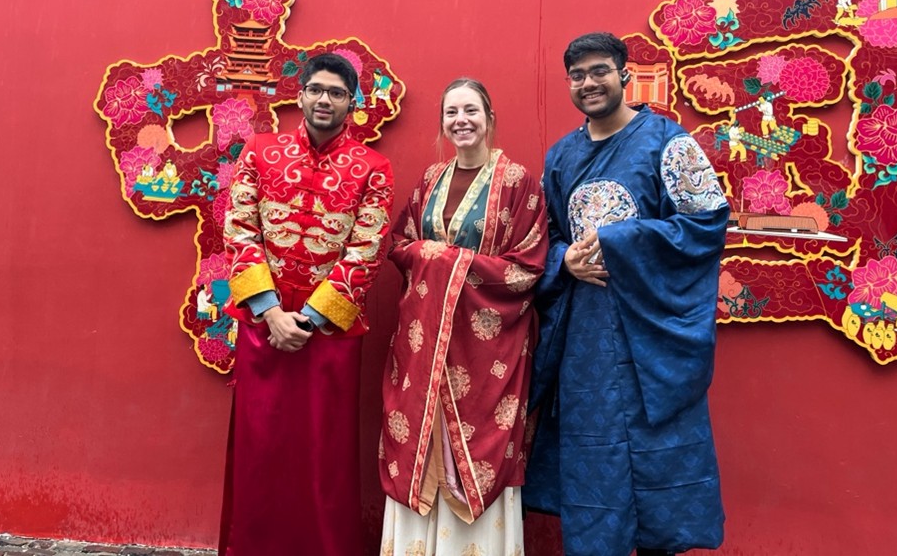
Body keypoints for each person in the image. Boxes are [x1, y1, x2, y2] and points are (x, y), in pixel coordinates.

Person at [524, 32, 730, 556]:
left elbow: (706, 225)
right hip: (587, 339)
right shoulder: (561, 157)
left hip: (651, 336)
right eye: (577, 75)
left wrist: (622, 239)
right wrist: (563, 260)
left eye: (599, 71)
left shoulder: (668, 142)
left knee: (657, 456)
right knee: (594, 459)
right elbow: (541, 239)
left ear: (623, 73)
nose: (588, 83)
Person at [218, 53, 394, 556]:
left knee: (323, 454)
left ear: (352, 104)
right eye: (316, 89)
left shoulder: (373, 168)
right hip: (261, 325)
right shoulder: (260, 151)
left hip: (329, 335)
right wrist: (272, 313)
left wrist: (309, 321)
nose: (324, 99)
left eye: (336, 93)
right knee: (261, 448)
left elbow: (367, 250)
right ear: (300, 95)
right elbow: (239, 231)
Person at [379, 78, 548, 556]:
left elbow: (527, 266)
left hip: (487, 346)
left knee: (480, 444)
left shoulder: (518, 182)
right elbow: (397, 242)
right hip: (424, 340)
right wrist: (433, 256)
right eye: (451, 112)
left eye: (470, 110)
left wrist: (448, 260)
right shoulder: (430, 180)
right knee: (421, 439)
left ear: (489, 117)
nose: (461, 121)